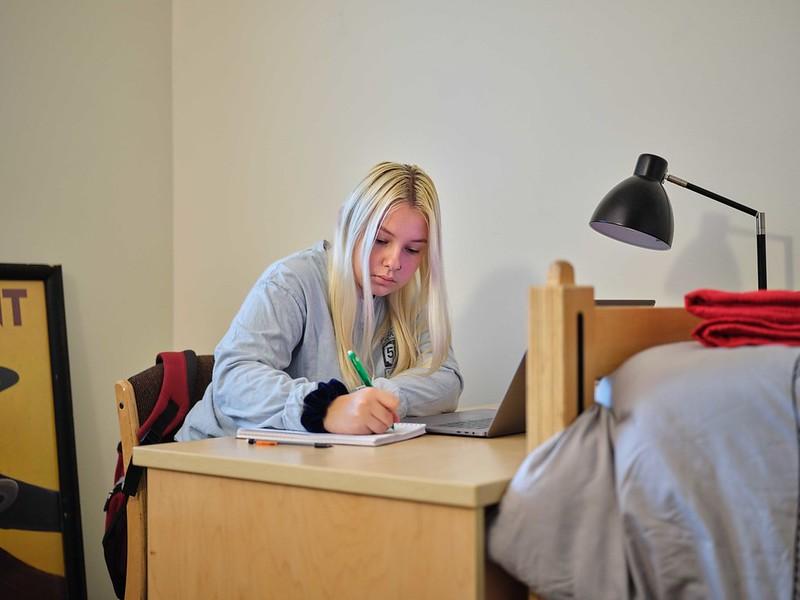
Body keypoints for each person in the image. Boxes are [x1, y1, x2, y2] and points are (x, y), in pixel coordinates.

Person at [176, 162, 463, 440]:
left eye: (412, 250)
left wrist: (386, 396)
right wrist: (325, 408)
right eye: (380, 240)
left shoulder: (405, 296)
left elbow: (446, 378)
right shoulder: (292, 281)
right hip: (209, 456)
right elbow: (234, 379)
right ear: (348, 224)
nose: (394, 262)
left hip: (301, 461)